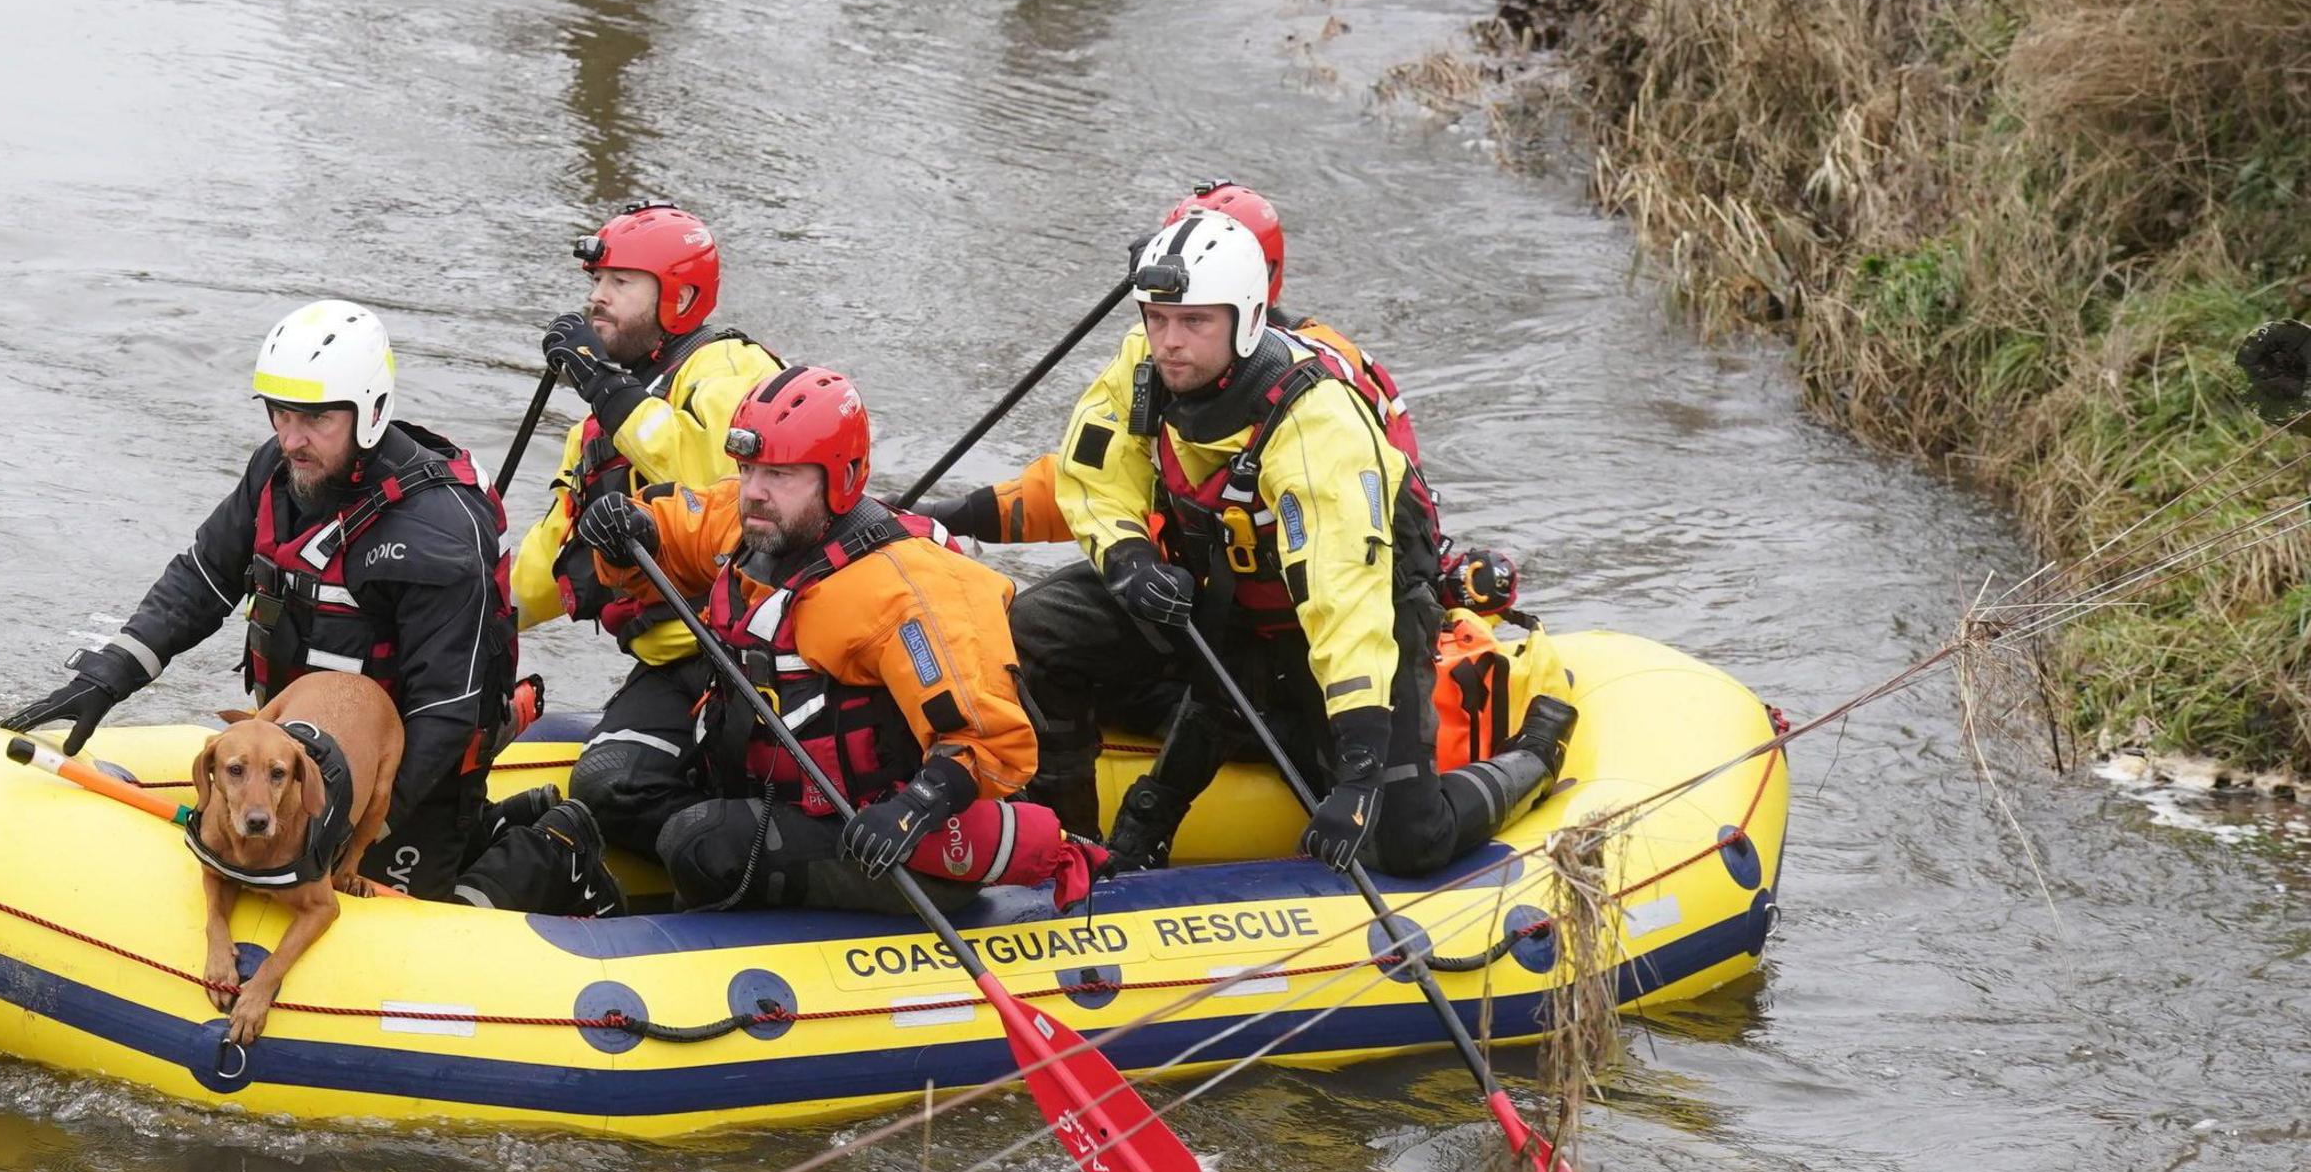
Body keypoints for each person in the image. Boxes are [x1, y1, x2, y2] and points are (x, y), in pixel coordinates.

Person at [1005, 204, 1575, 879]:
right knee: (1042, 628)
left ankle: (1535, 751)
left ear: (1247, 319)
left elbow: (1345, 596)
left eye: (1194, 322)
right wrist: (1127, 557)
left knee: (1407, 842)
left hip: (1358, 619)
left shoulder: (1314, 424)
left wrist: (1362, 767)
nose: (1169, 343)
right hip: (1226, 605)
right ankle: (1067, 846)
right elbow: (1092, 471)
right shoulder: (1147, 368)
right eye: (1156, 320)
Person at [3, 301, 538, 899]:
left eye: (313, 419)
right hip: (291, 760)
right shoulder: (278, 470)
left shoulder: (436, 531)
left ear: (371, 412)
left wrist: (352, 826)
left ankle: (548, 848)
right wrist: (109, 674)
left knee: (395, 907)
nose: (291, 437)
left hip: (405, 780)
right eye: (279, 413)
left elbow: (446, 710)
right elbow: (201, 578)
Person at [571, 366, 1094, 915]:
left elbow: (992, 741)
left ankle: (716, 890)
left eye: (778, 474)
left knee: (701, 844)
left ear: (839, 478)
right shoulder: (755, 521)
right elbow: (677, 532)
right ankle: (721, 856)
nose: (755, 492)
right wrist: (626, 529)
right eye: (747, 469)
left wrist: (914, 806)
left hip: (883, 829)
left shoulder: (912, 588)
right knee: (610, 786)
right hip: (777, 786)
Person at [502, 202, 787, 858]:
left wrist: (602, 384)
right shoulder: (595, 431)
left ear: (681, 297)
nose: (596, 298)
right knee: (607, 789)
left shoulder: (730, 369)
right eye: (596, 282)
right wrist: (473, 618)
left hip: (760, 660)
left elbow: (724, 478)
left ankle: (742, 850)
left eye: (621, 283)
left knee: (619, 791)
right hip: (675, 667)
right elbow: (547, 567)